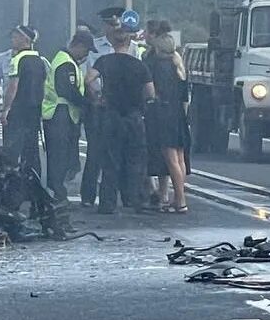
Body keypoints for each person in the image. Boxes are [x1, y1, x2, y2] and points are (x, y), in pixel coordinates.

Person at [86, 13, 154, 215]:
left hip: (111, 116)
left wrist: (98, 97)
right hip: (133, 116)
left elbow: (88, 79)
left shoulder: (104, 62)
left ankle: (107, 203)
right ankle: (135, 200)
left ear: (113, 43)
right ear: (129, 42)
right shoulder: (139, 65)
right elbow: (150, 92)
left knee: (110, 160)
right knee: (135, 160)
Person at [42, 31, 94, 202]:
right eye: (86, 50)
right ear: (79, 46)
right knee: (59, 155)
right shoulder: (66, 63)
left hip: (62, 114)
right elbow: (67, 90)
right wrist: (87, 103)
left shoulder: (66, 60)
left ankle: (57, 190)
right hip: (60, 114)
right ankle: (58, 192)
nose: (86, 55)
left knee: (62, 155)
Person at [145, 23, 190, 214]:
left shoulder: (157, 66)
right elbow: (185, 97)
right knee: (179, 159)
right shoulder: (178, 66)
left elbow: (152, 92)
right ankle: (178, 198)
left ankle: (180, 200)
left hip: (163, 114)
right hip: (178, 114)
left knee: (170, 160)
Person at [2, 25, 47, 176]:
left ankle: (10, 185)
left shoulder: (17, 59)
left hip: (18, 111)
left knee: (12, 150)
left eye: (15, 37)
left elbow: (12, 86)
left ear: (25, 39)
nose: (12, 40)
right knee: (31, 149)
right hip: (34, 111)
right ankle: (33, 183)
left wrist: (6, 109)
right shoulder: (40, 60)